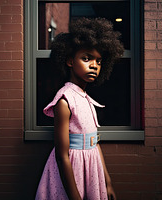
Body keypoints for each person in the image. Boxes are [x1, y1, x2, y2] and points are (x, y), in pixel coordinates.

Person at [35, 17, 124, 200]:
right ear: (69, 61)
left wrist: (107, 183)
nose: (94, 65)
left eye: (99, 62)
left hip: (91, 168)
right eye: (86, 58)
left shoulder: (86, 99)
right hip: (73, 170)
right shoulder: (65, 100)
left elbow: (94, 143)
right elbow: (62, 155)